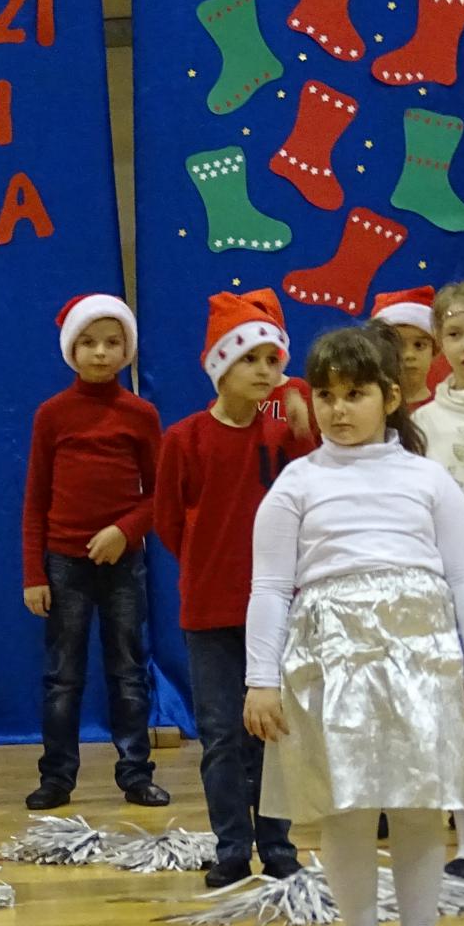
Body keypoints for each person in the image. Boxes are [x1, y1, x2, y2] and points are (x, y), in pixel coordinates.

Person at [246, 325, 464, 926]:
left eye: (354, 394)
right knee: (347, 805)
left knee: (420, 803)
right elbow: (269, 587)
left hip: (424, 662)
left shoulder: (428, 479)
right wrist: (260, 679)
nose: (337, 409)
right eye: (325, 395)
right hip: (331, 663)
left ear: (389, 397)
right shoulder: (297, 484)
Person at [153, 290, 310, 888]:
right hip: (209, 611)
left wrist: (296, 414)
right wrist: (206, 562)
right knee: (221, 734)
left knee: (273, 732)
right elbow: (169, 521)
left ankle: (278, 845)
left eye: (274, 360)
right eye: (251, 359)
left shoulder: (283, 433)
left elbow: (312, 485)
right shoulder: (185, 438)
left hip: (276, 610)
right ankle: (231, 848)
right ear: (221, 365)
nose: (266, 372)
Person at [21, 294, 168, 811]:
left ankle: (136, 774)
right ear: (71, 349)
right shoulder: (52, 415)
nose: (101, 353)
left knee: (128, 671)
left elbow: (161, 494)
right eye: (88, 342)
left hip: (124, 563)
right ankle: (57, 777)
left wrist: (125, 531)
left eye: (111, 342)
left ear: (127, 349)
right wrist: (33, 573)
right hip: (64, 565)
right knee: (63, 677)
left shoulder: (141, 415)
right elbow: (35, 498)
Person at [413, 278, 464, 882]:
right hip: (456, 584)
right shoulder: (422, 424)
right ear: (440, 340)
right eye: (456, 334)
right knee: (461, 708)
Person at [371, 288, 438, 414]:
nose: (409, 355)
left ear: (434, 351)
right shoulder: (371, 410)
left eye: (419, 345)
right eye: (397, 345)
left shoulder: (446, 407)